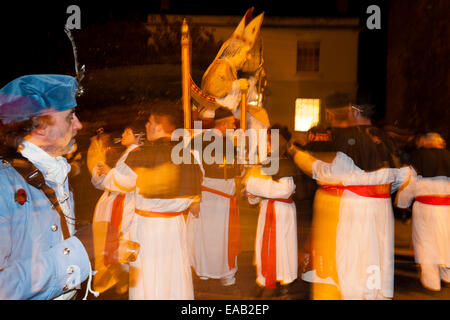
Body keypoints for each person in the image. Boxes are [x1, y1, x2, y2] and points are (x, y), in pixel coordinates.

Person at [287, 91, 411, 300]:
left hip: (349, 207)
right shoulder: (383, 138)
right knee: (374, 260)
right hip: (379, 209)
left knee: (348, 265)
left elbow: (324, 171)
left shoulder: (340, 141)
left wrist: (296, 154)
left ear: (330, 114)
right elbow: (404, 174)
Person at [0, 75, 95, 299]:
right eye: (70, 117)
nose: (79, 125)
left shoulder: (54, 171)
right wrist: (79, 251)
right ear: (41, 127)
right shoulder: (5, 185)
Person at [115, 104, 202, 300]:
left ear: (160, 126)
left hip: (147, 228)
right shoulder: (189, 157)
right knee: (174, 276)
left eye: (151, 122)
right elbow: (194, 191)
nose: (146, 125)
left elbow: (116, 181)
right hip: (175, 226)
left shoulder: (139, 155)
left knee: (149, 277)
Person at [186, 107, 242, 287]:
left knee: (222, 238)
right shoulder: (198, 142)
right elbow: (189, 171)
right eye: (233, 123)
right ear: (224, 124)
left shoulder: (230, 143)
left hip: (225, 201)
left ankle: (224, 273)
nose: (235, 127)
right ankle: (203, 272)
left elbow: (235, 170)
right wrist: (194, 198)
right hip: (206, 198)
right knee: (205, 237)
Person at [244, 124, 299, 297]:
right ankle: (262, 279)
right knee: (263, 246)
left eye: (270, 142)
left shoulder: (286, 163)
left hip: (282, 211)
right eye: (266, 142)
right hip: (266, 209)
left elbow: (284, 190)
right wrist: (252, 194)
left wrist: (253, 184)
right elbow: (254, 194)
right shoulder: (264, 163)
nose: (266, 145)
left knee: (283, 247)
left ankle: (286, 283)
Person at [90, 121, 145, 294]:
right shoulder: (127, 153)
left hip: (121, 204)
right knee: (107, 241)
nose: (122, 135)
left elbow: (129, 183)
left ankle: (118, 280)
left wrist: (110, 172)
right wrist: (102, 173)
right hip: (111, 202)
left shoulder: (137, 154)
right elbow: (111, 180)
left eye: (127, 132)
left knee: (117, 241)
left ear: (137, 136)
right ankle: (113, 279)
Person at [396, 132, 450, 291]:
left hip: (425, 209)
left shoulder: (417, 157)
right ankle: (446, 275)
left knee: (426, 242)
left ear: (424, 143)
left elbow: (408, 184)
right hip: (447, 208)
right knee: (446, 241)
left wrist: (402, 203)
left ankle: (431, 280)